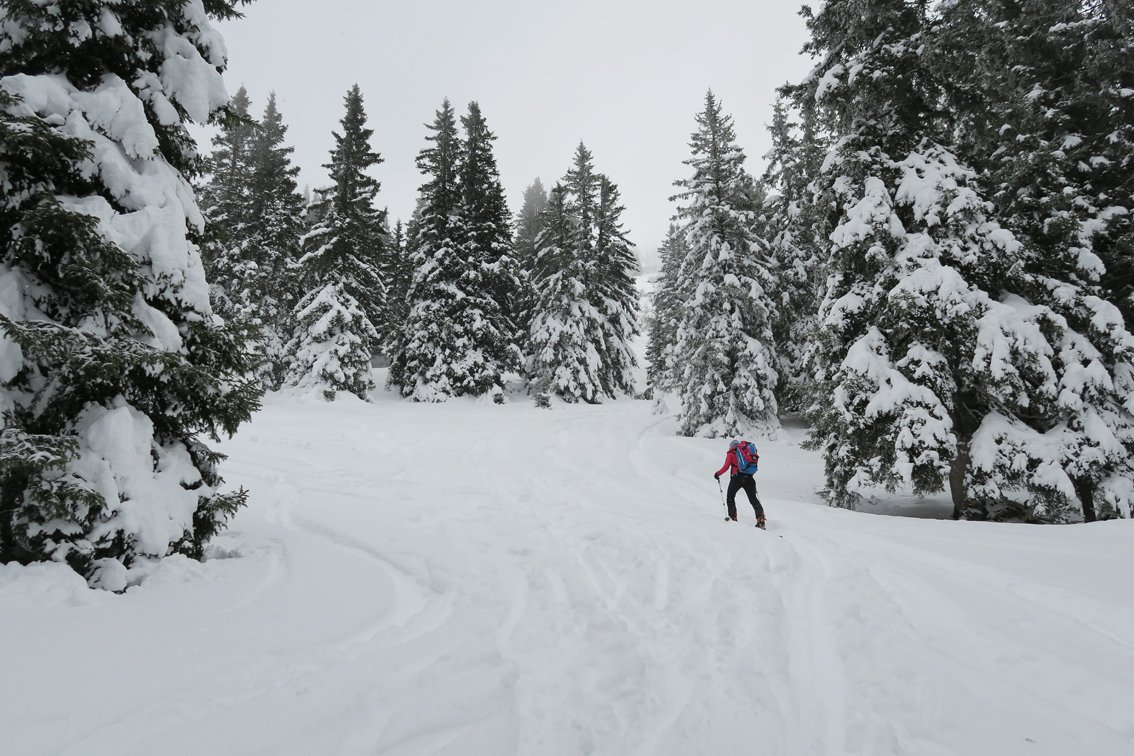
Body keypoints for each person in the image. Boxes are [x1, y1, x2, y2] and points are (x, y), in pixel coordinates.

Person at [714, 439, 766, 528]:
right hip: (749, 478)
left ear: (731, 447)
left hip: (737, 478)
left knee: (730, 497)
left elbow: (726, 467)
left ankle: (733, 519)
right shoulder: (745, 454)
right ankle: (761, 521)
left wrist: (717, 474)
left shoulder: (731, 454)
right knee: (753, 499)